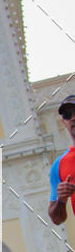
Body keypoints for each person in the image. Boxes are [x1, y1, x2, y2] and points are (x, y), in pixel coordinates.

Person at [48, 94, 75, 225]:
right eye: (67, 115)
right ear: (64, 122)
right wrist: (61, 200)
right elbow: (56, 218)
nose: (73, 117)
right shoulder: (59, 165)